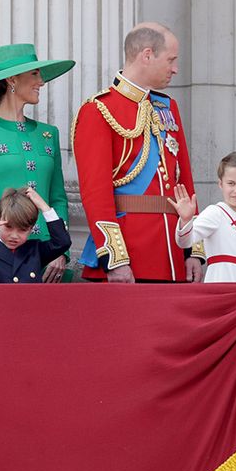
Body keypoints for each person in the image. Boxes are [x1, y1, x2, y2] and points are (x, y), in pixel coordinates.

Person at [73, 22, 204, 283]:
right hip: (131, 258)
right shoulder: (98, 110)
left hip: (173, 255)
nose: (175, 69)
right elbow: (95, 194)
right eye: (171, 60)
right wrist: (115, 259)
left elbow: (184, 181)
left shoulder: (168, 107)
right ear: (147, 55)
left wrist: (193, 249)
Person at [0, 43, 75, 282]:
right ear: (12, 79)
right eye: (34, 74)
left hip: (51, 261)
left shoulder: (48, 133)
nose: (41, 81)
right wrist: (10, 240)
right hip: (2, 262)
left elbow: (58, 198)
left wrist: (61, 251)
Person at [168, 151, 236, 283]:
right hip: (220, 293)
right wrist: (186, 220)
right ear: (221, 184)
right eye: (231, 183)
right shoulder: (215, 213)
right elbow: (185, 242)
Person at [0, 187, 71, 283]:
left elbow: (62, 242)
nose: (14, 235)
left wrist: (44, 207)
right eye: (8, 227)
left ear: (31, 228)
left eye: (22, 230)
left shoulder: (35, 250)